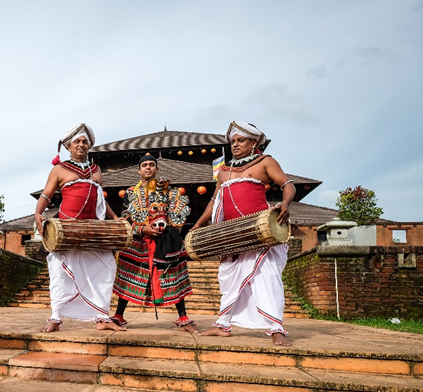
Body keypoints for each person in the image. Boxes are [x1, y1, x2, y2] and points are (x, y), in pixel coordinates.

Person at [192, 121, 295, 346]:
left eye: (241, 140)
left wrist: (285, 204)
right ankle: (223, 325)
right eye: (232, 142)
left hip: (259, 231)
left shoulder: (265, 162)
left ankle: (276, 328)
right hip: (232, 234)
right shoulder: (224, 171)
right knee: (229, 280)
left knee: (266, 277)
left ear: (253, 142)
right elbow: (214, 200)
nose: (235, 145)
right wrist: (198, 224)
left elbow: (288, 185)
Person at [34, 123, 124, 333]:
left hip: (92, 229)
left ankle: (102, 317)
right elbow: (47, 194)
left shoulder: (96, 170)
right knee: (60, 273)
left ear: (89, 145)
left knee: (107, 266)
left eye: (85, 142)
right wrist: (38, 212)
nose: (81, 145)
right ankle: (56, 317)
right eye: (77, 142)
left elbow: (101, 200)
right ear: (69, 146)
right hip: (66, 228)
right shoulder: (59, 169)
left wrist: (115, 218)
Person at [111, 153, 195, 331]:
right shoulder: (131, 193)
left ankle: (183, 316)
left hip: (164, 241)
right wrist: (142, 229)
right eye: (144, 165)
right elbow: (125, 217)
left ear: (157, 168)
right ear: (138, 170)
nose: (148, 167)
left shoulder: (168, 191)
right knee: (130, 275)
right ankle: (118, 315)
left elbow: (176, 216)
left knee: (172, 275)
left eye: (151, 164)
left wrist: (170, 228)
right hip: (139, 241)